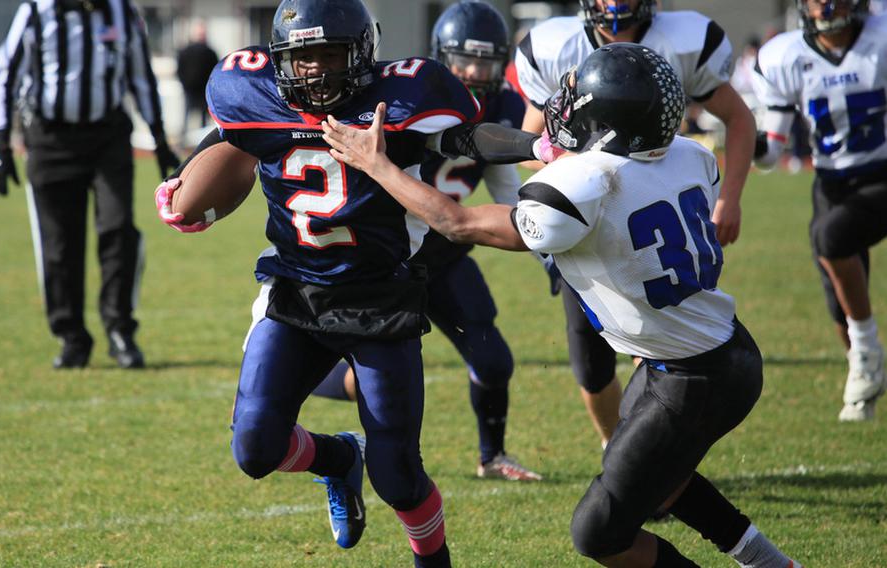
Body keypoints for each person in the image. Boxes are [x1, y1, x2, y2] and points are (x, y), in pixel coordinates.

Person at [323, 41, 802, 568]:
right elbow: (609, 175)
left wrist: (380, 166)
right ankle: (769, 563)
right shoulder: (690, 155)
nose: (568, 105)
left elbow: (457, 223)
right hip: (723, 348)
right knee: (664, 481)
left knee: (599, 533)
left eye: (581, 99)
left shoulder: (582, 184)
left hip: (690, 376)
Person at [153, 0, 551, 564]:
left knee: (399, 476)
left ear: (360, 53)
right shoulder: (254, 90)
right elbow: (229, 134)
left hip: (381, 298)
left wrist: (534, 144)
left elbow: (466, 139)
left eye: (328, 54)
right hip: (296, 290)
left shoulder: (403, 98)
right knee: (254, 447)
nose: (315, 70)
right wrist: (183, 180)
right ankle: (339, 459)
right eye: (302, 57)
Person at [310, 0, 542, 482]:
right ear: (441, 55)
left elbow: (504, 187)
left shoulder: (502, 103)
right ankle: (274, 386)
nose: (477, 71)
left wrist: (547, 246)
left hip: (447, 254)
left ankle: (492, 456)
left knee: (494, 360)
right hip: (389, 255)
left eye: (488, 60)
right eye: (466, 59)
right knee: (354, 377)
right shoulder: (411, 96)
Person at [512, 0, 757, 449]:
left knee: (660, 332)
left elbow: (738, 117)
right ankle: (619, 449)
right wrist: (574, 162)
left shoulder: (684, 40)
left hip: (656, 204)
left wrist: (731, 198)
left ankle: (648, 456)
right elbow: (533, 143)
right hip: (593, 212)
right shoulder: (553, 45)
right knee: (589, 356)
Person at [0, 0, 180, 369]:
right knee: (59, 244)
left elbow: (140, 76)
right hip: (49, 138)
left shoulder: (121, 11)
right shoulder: (35, 11)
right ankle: (71, 336)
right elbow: (4, 74)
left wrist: (159, 141)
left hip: (107, 136)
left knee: (119, 230)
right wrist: (0, 146)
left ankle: (120, 330)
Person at [753, 0, 887, 421]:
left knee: (833, 237)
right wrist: (746, 139)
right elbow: (771, 149)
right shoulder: (786, 56)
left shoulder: (880, 40)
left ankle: (866, 354)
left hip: (883, 171)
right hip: (831, 180)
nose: (825, 6)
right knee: (835, 298)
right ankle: (865, 370)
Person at [176, 20, 219, 147]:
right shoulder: (185, 51)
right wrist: (185, 84)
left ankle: (203, 145)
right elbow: (180, 69)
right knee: (186, 118)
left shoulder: (210, 52)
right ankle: (182, 143)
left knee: (203, 120)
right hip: (189, 90)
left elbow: (215, 71)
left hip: (204, 91)